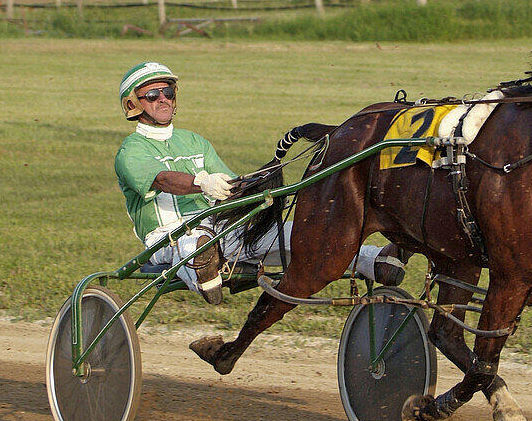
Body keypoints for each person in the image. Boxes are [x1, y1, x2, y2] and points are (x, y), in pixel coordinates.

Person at [114, 61, 406, 305]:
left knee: (295, 233)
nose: (162, 99)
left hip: (220, 230)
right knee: (193, 244)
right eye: (152, 95)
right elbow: (164, 180)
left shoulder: (194, 141)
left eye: (167, 91)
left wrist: (257, 187)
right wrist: (202, 182)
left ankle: (375, 260)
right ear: (132, 104)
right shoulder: (131, 151)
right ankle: (204, 268)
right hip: (168, 237)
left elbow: (228, 185)